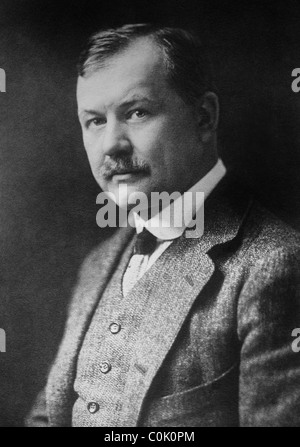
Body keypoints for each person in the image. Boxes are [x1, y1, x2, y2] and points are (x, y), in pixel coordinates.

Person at [26, 23, 300, 427]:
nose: (111, 145)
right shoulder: (99, 263)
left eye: (137, 113)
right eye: (95, 122)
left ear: (204, 118)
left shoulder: (275, 265)